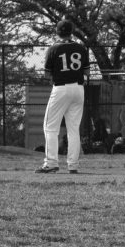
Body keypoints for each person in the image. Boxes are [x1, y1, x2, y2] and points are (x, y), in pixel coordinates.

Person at [36, 19, 89, 174]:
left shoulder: (53, 49)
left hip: (61, 89)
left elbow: (47, 75)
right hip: (79, 89)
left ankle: (51, 163)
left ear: (57, 32)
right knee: (73, 129)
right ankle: (73, 165)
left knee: (50, 127)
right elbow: (86, 72)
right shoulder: (81, 48)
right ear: (71, 32)